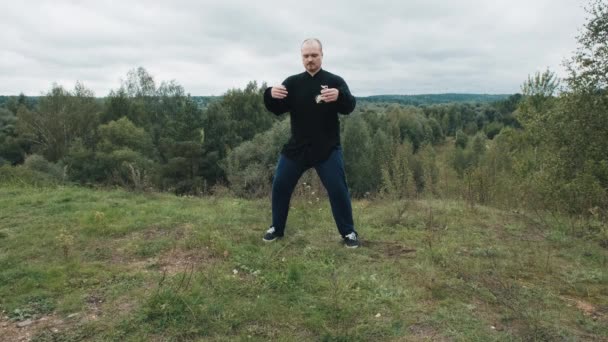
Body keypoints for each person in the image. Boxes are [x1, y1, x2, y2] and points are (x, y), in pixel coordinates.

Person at [262, 38, 359, 248]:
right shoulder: (293, 82)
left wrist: (340, 96)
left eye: (314, 55)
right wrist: (269, 94)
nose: (310, 60)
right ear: (301, 57)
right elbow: (277, 109)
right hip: (297, 147)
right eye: (306, 56)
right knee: (280, 185)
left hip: (327, 148)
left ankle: (349, 233)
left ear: (322, 55)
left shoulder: (334, 81)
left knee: (338, 189)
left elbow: (349, 107)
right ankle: (276, 229)